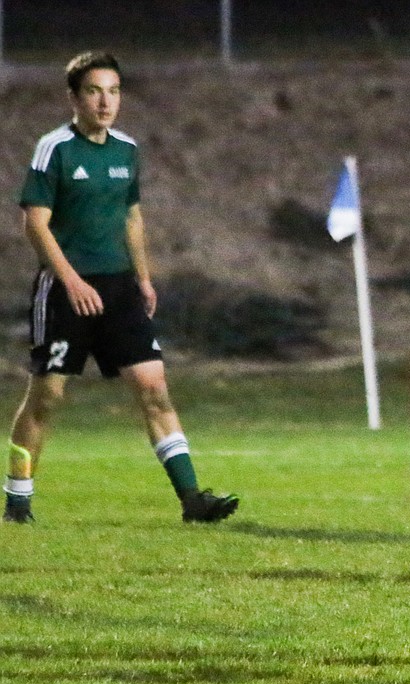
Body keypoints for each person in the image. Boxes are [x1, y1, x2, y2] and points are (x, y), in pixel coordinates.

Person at [3, 52, 239, 525]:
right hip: (64, 289)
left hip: (119, 290)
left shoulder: (126, 150)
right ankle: (18, 500)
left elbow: (132, 217)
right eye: (94, 91)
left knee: (154, 387)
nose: (105, 101)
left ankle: (193, 498)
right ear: (74, 97)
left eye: (113, 91)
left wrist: (144, 278)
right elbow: (35, 224)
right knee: (47, 396)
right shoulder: (55, 149)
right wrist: (71, 280)